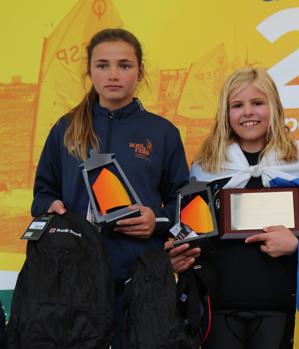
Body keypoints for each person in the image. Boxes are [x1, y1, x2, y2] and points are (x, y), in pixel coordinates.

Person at [31, 28, 189, 348]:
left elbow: (183, 204)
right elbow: (42, 194)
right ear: (89, 70)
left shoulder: (163, 133)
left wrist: (154, 221)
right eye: (102, 65)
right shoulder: (65, 128)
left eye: (124, 65)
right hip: (73, 278)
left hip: (139, 277)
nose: (113, 74)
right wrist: (51, 208)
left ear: (140, 72)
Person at [166, 67, 299, 349]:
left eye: (257, 103)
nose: (248, 112)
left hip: (279, 306)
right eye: (237, 105)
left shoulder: (298, 169)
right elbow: (192, 237)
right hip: (218, 308)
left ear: (274, 108)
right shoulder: (204, 170)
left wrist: (296, 245)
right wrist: (178, 249)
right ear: (225, 113)